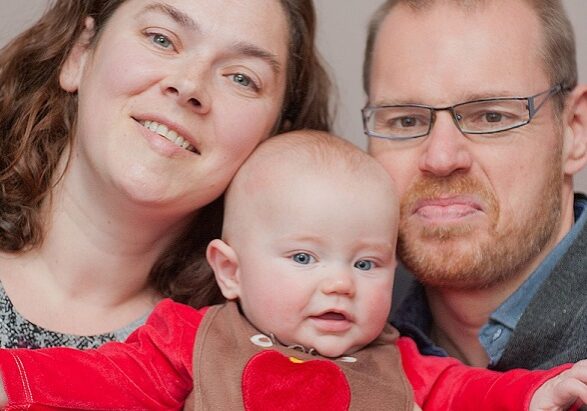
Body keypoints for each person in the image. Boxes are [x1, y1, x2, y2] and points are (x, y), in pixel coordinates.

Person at [0, 131, 587, 410]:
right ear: (230, 271)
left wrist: (539, 393)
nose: (339, 283)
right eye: (304, 258)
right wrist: (13, 378)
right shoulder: (194, 339)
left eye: (367, 263)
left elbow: (470, 394)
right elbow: (109, 377)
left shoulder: (402, 364)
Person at [0, 0, 330, 348]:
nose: (189, 86)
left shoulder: (250, 359)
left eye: (242, 78)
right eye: (161, 39)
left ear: (273, 137)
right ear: (79, 53)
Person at [362, 0, 587, 370]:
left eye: (491, 116)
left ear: (574, 132)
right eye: (406, 121)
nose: (441, 159)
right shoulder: (337, 344)